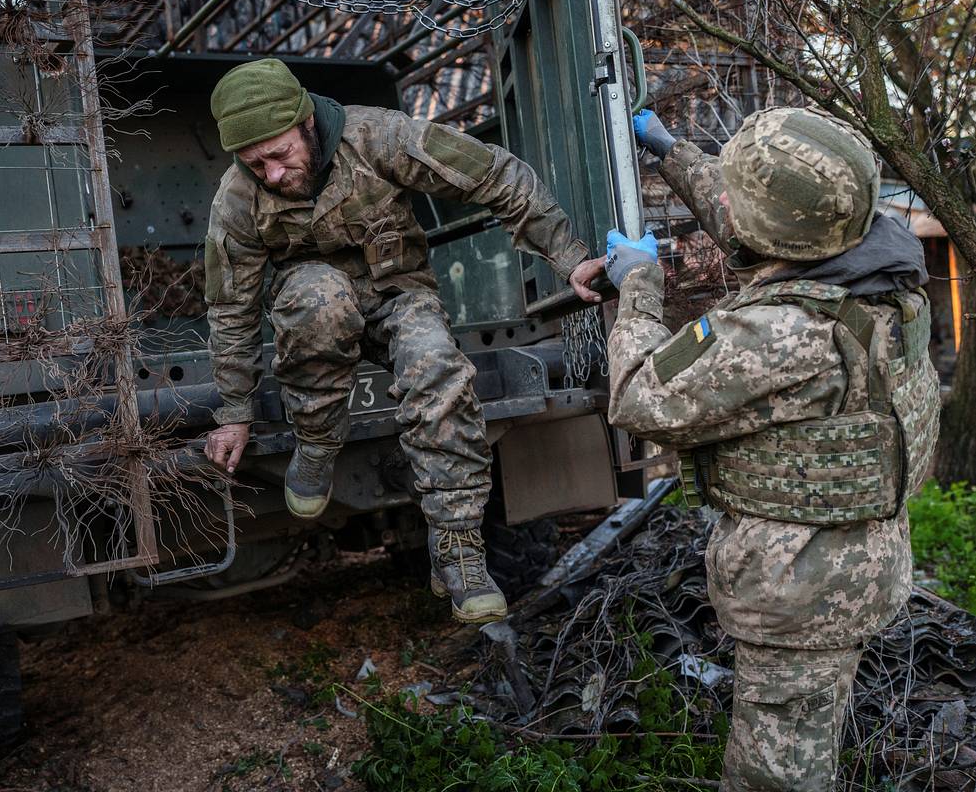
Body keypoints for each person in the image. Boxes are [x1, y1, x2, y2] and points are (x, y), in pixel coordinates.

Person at [605, 106, 940, 791]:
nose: (723, 201)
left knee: (776, 775)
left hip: (798, 594)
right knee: (811, 733)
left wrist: (636, 286)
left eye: (734, 195)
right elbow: (764, 213)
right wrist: (672, 153)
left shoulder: (782, 333)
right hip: (856, 569)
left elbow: (641, 398)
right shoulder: (877, 260)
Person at [200, 58, 604, 624]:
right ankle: (316, 445)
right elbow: (231, 306)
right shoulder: (237, 199)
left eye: (279, 154)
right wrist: (236, 411)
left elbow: (493, 174)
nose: (269, 173)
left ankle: (458, 549)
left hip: (400, 296)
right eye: (253, 163)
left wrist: (570, 258)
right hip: (314, 313)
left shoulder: (378, 136)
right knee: (320, 294)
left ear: (306, 124)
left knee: (438, 367)